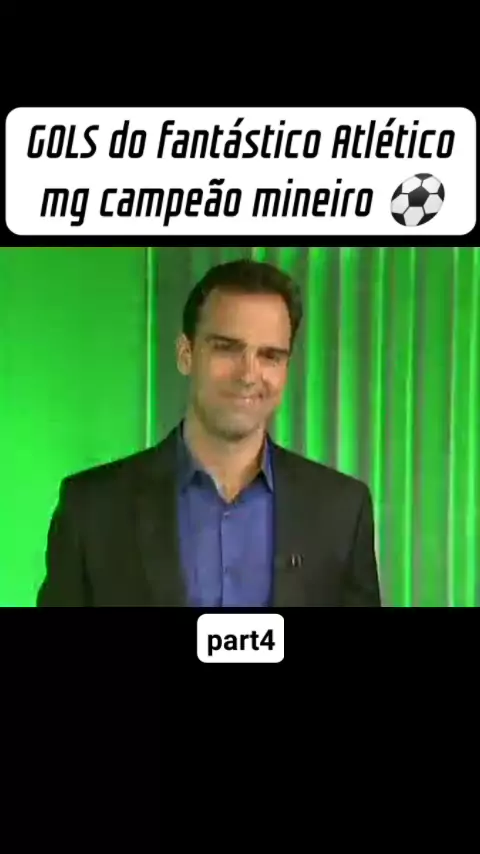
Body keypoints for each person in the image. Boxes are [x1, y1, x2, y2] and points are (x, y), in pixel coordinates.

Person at [37, 259, 381, 607]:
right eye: (227, 348)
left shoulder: (342, 510)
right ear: (185, 354)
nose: (248, 375)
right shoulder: (93, 509)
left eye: (270, 356)